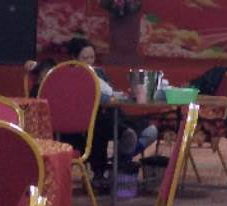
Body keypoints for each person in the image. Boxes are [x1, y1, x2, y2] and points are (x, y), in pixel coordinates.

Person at [53, 37, 157, 189]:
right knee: (102, 129)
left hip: (111, 115)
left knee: (150, 131)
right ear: (74, 58)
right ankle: (104, 172)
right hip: (86, 123)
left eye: (92, 57)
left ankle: (117, 163)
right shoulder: (68, 75)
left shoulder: (99, 72)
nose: (90, 61)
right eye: (85, 58)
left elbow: (110, 94)